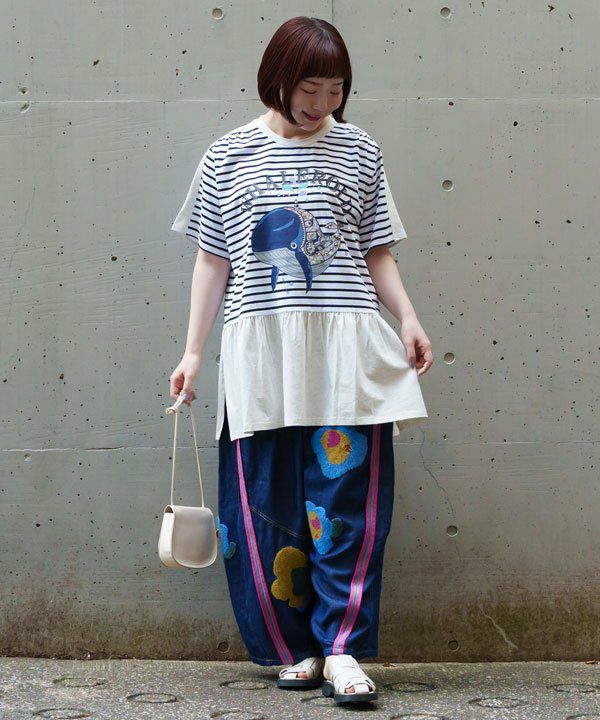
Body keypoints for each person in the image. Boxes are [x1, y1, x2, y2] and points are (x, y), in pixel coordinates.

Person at [169, 16, 433, 705]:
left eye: (335, 90)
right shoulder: (228, 156)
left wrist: (407, 317)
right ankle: (296, 650)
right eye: (310, 89)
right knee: (261, 507)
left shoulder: (359, 151)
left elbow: (376, 249)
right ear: (277, 80)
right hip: (261, 356)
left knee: (345, 507)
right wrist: (193, 351)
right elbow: (212, 260)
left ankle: (343, 648)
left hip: (347, 355)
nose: (322, 104)